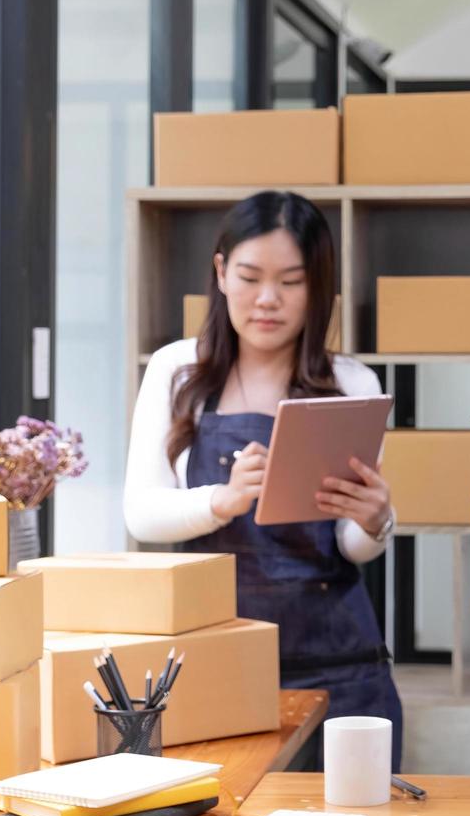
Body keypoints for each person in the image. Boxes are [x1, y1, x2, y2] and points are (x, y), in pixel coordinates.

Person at [124, 190, 404, 771]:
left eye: (292, 282)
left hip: (341, 665)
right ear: (221, 273)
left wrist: (376, 520)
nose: (268, 300)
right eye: (250, 277)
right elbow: (142, 514)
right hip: (215, 658)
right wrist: (222, 501)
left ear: (319, 286)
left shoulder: (351, 382)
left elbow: (351, 548)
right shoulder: (177, 371)